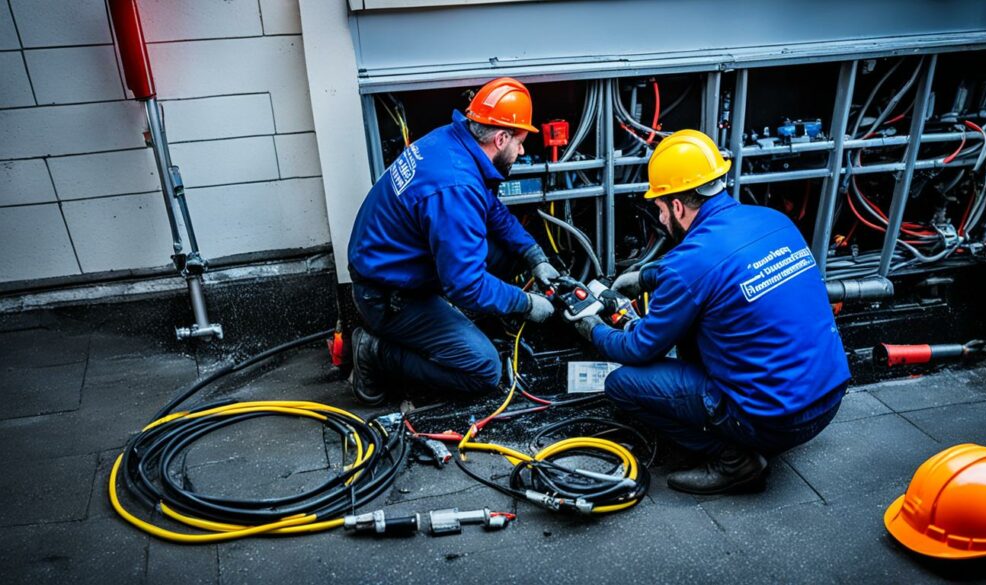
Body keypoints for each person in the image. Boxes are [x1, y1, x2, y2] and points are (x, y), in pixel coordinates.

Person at [570, 129, 851, 494]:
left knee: (621, 385)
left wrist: (592, 328)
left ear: (677, 206)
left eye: (659, 207)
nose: (660, 216)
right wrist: (646, 277)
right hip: (828, 401)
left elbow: (638, 349)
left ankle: (734, 459)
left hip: (778, 422)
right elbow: (716, 264)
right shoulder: (773, 220)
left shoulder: (689, 263)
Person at [346, 77, 559, 405]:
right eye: (520, 141)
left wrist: (534, 255)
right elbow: (467, 286)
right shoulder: (456, 187)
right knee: (483, 369)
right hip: (388, 297)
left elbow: (492, 211)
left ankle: (453, 322)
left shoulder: (453, 143)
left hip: (400, 269)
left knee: (509, 252)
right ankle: (375, 351)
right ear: (500, 138)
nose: (523, 149)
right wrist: (525, 303)